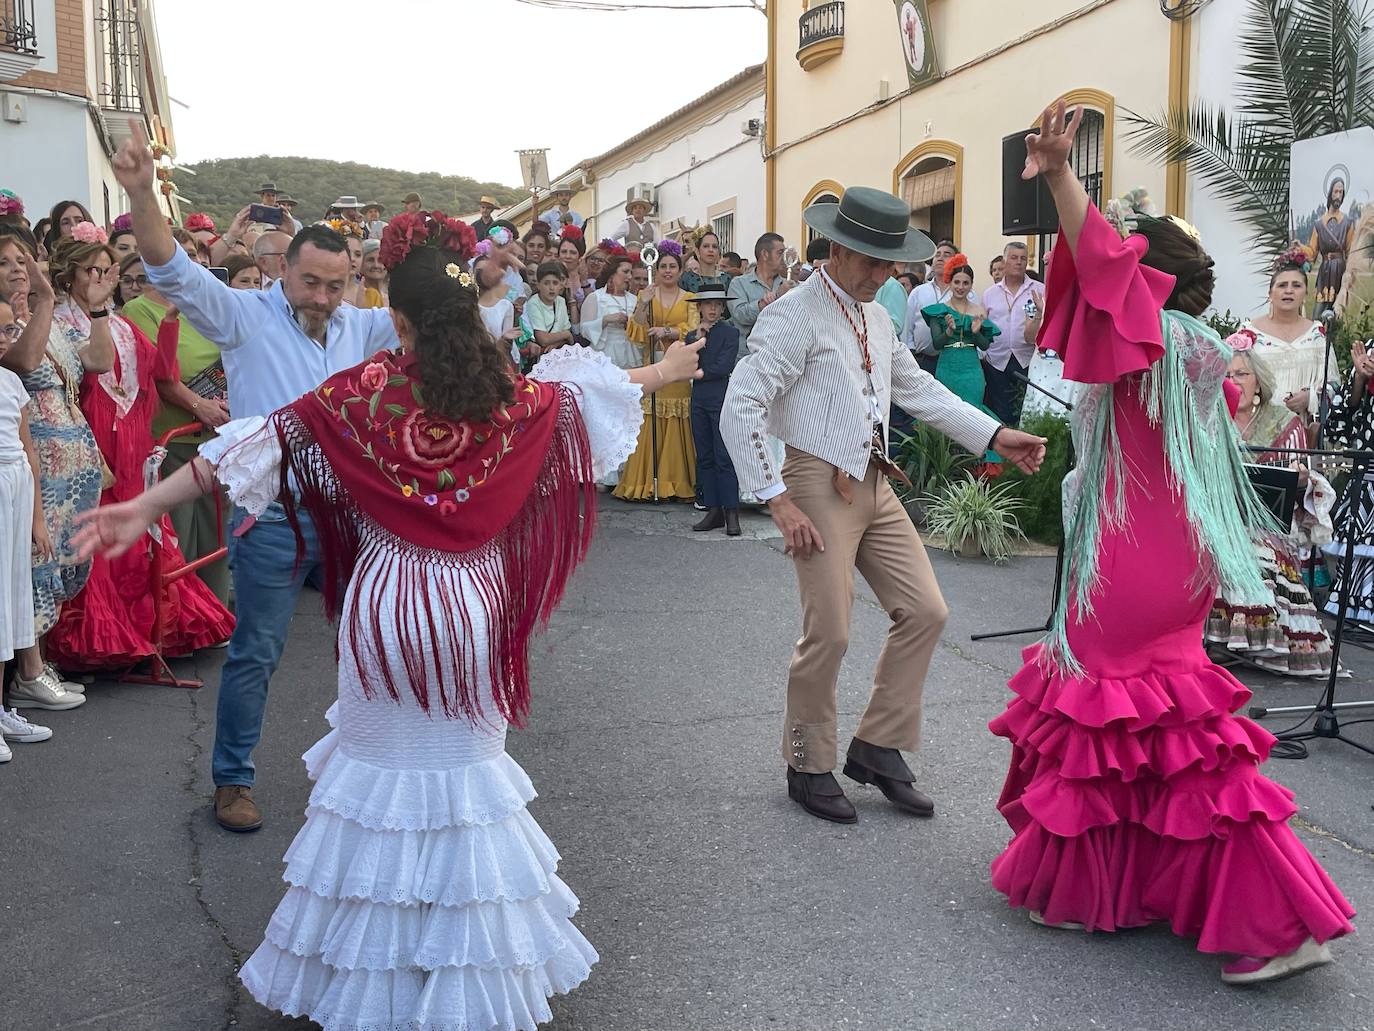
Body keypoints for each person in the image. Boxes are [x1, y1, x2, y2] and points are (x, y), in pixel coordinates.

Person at [75, 208, 706, 1031]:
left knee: (377, 786)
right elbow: (599, 394)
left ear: (396, 320)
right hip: (473, 607)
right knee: (465, 787)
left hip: (385, 605)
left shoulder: (358, 396)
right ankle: (461, 977)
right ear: (465, 317)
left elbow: (248, 445)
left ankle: (377, 976)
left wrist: (142, 505)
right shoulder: (514, 398)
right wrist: (669, 364)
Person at [990, 100, 1353, 985]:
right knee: (1166, 727)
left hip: (1130, 558)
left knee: (1121, 717)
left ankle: (1270, 921)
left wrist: (1065, 177)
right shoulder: (1203, 350)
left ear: (1146, 278)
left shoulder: (1152, 340)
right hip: (1178, 556)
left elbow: (1105, 265)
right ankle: (1129, 888)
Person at [721, 186, 1045, 825]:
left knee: (926, 610)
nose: (883, 274)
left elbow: (916, 388)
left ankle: (878, 745)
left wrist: (993, 435)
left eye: (890, 262)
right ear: (837, 250)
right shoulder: (794, 315)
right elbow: (743, 402)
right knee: (831, 631)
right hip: (815, 480)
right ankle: (807, 762)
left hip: (872, 477)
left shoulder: (877, 315)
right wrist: (776, 498)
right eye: (871, 261)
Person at [114, 126, 400, 834]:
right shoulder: (244, 316)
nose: (325, 296)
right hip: (269, 518)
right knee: (257, 654)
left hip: (347, 519)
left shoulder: (362, 328)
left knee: (372, 645)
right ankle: (232, 781)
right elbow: (170, 265)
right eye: (312, 282)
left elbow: (443, 326)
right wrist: (142, 191)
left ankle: (373, 775)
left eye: (338, 284)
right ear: (284, 272)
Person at [43, 236, 235, 670]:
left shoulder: (122, 323)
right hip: (95, 441)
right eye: (93, 270)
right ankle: (91, 646)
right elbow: (95, 362)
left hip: (132, 442)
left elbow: (160, 373)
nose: (103, 279)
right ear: (70, 274)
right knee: (97, 537)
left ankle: (145, 631)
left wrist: (169, 321)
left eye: (107, 271)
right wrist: (95, 311)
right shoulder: (62, 323)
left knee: (139, 537)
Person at [2, 231, 108, 710]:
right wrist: (44, 297)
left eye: (22, 260)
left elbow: (96, 362)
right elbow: (24, 360)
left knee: (59, 558)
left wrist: (98, 308)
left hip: (72, 459)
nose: (17, 269)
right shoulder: (13, 322)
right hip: (36, 453)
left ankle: (38, 665)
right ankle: (27, 671)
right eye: (4, 263)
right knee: (33, 560)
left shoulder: (40, 315)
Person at [1205, 337, 1337, 676]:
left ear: (1258, 381)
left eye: (1242, 374)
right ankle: (1216, 641)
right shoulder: (1209, 420)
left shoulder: (1284, 424)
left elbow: (1302, 484)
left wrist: (1304, 479)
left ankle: (1256, 642)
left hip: (1267, 528)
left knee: (1255, 551)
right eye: (1228, 375)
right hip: (1215, 520)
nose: (1234, 382)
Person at [122, 266, 233, 607]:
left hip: (218, 436)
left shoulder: (212, 306)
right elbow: (158, 372)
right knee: (180, 535)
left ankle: (213, 616)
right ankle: (180, 621)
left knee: (216, 534)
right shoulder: (139, 310)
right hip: (172, 440)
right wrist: (200, 405)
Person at [0, 296, 56, 756]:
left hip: (17, 491)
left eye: (10, 330)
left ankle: (2, 709)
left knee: (13, 596)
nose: (5, 340)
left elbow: (28, 450)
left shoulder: (11, 383)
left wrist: (37, 517)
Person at [616, 240, 698, 502]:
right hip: (653, 366)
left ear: (680, 270)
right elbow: (636, 333)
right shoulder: (646, 296)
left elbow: (694, 331)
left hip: (680, 370)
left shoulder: (690, 299)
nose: (667, 271)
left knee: (677, 421)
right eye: (663, 266)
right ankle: (647, 482)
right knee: (650, 419)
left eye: (672, 266)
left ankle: (676, 481)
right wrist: (643, 304)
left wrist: (668, 331)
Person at [1241, 254, 1335, 430]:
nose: (1289, 290)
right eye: (1282, 285)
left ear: (1305, 294)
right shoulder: (1248, 334)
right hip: (1256, 430)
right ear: (1270, 294)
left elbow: (1333, 385)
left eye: (1296, 285)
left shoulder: (1317, 334)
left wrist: (1309, 398)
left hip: (1305, 432)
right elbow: (1233, 381)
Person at [686, 284, 740, 535]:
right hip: (698, 399)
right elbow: (687, 360)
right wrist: (698, 339)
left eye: (718, 305)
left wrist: (698, 373)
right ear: (699, 307)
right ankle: (713, 508)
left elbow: (723, 366)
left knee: (723, 455)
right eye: (708, 304)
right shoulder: (691, 337)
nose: (713, 309)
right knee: (704, 455)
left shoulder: (730, 333)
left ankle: (731, 511)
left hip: (719, 398)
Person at [982, 241, 1045, 426]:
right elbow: (983, 323)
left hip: (1025, 359)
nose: (1018, 262)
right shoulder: (990, 293)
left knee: (1024, 409)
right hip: (996, 360)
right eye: (1014, 258)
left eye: (1023, 258)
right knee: (999, 413)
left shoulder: (1039, 290)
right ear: (1004, 261)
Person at [726, 233, 789, 360]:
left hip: (781, 358)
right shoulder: (739, 283)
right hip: (748, 358)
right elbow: (740, 315)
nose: (784, 257)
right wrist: (770, 300)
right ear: (765, 254)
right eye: (780, 252)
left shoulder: (786, 284)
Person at [902, 238, 956, 375]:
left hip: (953, 361)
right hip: (922, 361)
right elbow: (908, 325)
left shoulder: (964, 293)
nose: (940, 258)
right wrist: (912, 352)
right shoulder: (918, 292)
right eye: (937, 255)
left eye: (946, 255)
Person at [1302, 176, 1354, 311]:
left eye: (1341, 192)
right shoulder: (1319, 224)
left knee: (1337, 314)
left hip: (1340, 271)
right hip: (1324, 272)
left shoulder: (1347, 223)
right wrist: (1299, 247)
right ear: (1330, 193)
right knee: (1318, 313)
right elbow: (1312, 253)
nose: (1338, 196)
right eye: (1335, 192)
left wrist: (1349, 275)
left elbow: (1350, 252)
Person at [527, 261, 575, 353]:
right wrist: (566, 334)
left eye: (555, 283)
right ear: (538, 285)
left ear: (561, 285)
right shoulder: (534, 303)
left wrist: (556, 343)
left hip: (558, 352)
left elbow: (567, 333)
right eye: (546, 283)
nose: (551, 288)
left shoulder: (561, 301)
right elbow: (543, 339)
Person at [681, 229, 734, 295]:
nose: (711, 250)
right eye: (706, 246)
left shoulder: (726, 279)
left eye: (714, 247)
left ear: (718, 252)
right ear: (698, 251)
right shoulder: (687, 279)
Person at [359, 238, 387, 307]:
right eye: (370, 260)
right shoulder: (356, 294)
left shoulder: (394, 296)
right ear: (361, 265)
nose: (376, 265)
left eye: (380, 260)